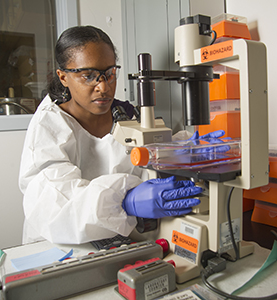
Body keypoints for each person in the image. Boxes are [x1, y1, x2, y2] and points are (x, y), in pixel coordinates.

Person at [19, 25, 219, 245]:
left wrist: (182, 151)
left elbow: (149, 159)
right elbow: (56, 205)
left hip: (119, 237)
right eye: (89, 76)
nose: (103, 87)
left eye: (110, 74)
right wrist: (125, 202)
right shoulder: (49, 127)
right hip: (62, 246)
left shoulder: (126, 114)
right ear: (63, 77)